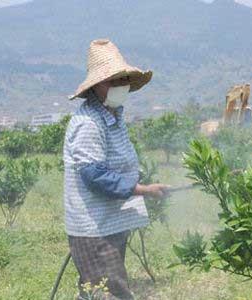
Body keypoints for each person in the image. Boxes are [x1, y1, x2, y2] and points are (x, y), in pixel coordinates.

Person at [64, 39, 169, 299]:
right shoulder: (88, 122)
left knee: (99, 290)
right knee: (110, 291)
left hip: (110, 221)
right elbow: (94, 175)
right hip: (95, 227)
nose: (120, 86)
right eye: (112, 80)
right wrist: (142, 190)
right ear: (95, 86)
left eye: (122, 79)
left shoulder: (113, 115)